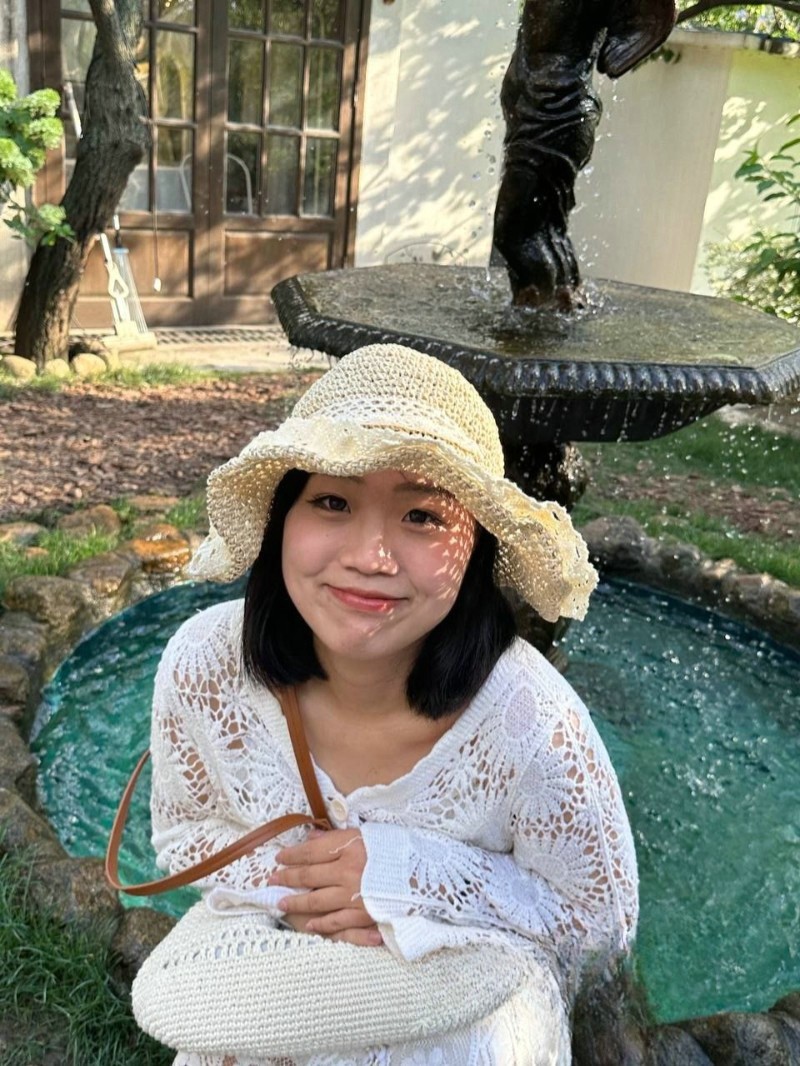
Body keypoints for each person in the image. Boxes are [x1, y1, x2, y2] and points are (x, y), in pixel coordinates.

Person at [148, 343, 638, 1066]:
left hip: (466, 999)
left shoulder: (534, 721)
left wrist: (406, 876)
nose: (370, 557)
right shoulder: (205, 664)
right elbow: (185, 834)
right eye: (333, 502)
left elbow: (599, 924)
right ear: (283, 516)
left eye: (422, 516)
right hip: (279, 970)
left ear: (476, 548)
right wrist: (318, 895)